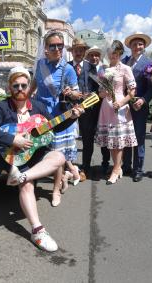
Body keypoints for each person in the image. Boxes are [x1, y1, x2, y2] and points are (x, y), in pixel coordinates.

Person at [0, 66, 84, 252]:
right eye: (16, 86)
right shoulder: (2, 107)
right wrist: (14, 139)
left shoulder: (38, 106)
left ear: (29, 87)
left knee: (59, 156)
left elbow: (54, 126)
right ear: (9, 87)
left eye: (23, 85)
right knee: (28, 187)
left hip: (36, 155)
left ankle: (21, 177)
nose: (20, 89)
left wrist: (72, 117)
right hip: (15, 157)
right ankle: (37, 231)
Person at [29, 31, 82, 206]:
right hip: (39, 117)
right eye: (53, 46)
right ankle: (61, 179)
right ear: (46, 48)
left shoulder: (67, 69)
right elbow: (34, 85)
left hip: (58, 117)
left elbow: (77, 94)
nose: (58, 49)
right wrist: (22, 99)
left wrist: (71, 93)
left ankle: (55, 190)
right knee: (40, 153)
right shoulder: (40, 65)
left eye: (60, 45)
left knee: (57, 156)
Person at [97, 40, 138, 185]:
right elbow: (100, 93)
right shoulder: (103, 69)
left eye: (115, 52)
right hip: (106, 107)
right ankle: (117, 167)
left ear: (120, 53)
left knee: (118, 141)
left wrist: (121, 102)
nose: (112, 55)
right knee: (111, 140)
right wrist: (104, 92)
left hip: (120, 106)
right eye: (110, 52)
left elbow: (132, 91)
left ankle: (115, 169)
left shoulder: (126, 68)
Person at [68, 39, 110, 180]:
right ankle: (66, 169)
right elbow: (61, 86)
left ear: (84, 51)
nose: (78, 52)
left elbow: (98, 88)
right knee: (67, 139)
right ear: (72, 51)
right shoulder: (66, 67)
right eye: (76, 49)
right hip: (69, 109)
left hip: (88, 109)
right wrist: (68, 92)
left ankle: (86, 168)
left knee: (87, 140)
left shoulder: (91, 67)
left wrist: (92, 94)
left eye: (81, 50)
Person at [122, 32, 152, 182]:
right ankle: (126, 165)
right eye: (134, 44)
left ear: (144, 46)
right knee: (126, 136)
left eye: (140, 44)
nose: (137, 46)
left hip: (139, 106)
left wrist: (143, 100)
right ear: (130, 46)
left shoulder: (149, 64)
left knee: (139, 137)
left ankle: (138, 169)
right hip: (125, 106)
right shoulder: (123, 62)